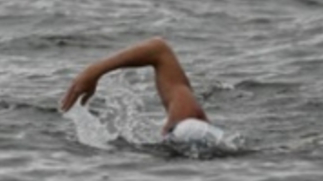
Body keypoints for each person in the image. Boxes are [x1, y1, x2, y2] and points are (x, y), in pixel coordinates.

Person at [59, 36, 225, 146]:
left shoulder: (186, 115)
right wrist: (94, 72)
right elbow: (159, 51)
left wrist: (93, 71)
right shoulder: (186, 114)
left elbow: (159, 49)